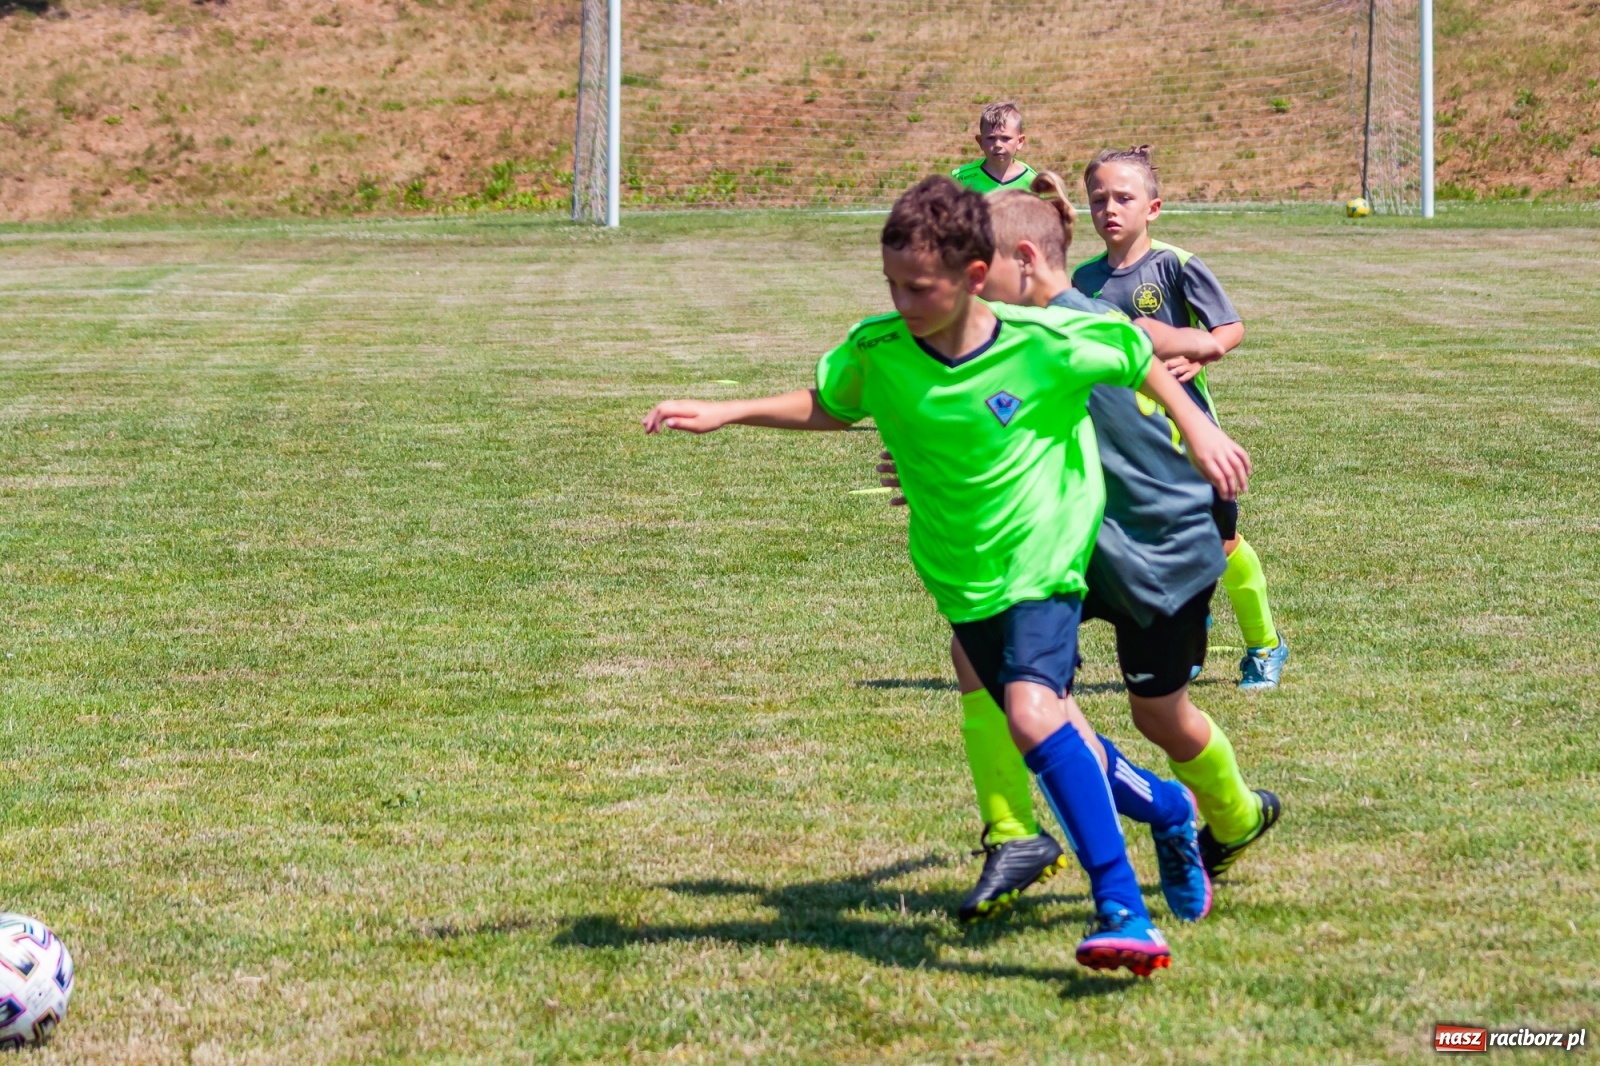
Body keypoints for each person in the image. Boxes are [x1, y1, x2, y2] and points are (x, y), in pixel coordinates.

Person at [643, 176, 1252, 975]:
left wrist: (1199, 430)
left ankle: (1123, 911)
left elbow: (1136, 354)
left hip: (1045, 559)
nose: (903, 302)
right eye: (892, 284)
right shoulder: (880, 350)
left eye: (920, 287)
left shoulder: (1043, 340)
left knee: (1032, 715)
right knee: (1054, 730)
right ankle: (1166, 806)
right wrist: (729, 411)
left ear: (974, 275)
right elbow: (833, 403)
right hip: (961, 574)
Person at [880, 172, 1281, 926]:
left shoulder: (1074, 326)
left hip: (1153, 550)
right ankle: (1014, 833)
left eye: (980, 272)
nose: (969, 290)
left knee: (1161, 717)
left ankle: (1232, 815)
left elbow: (1151, 343)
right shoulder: (1006, 340)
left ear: (1023, 262)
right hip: (1069, 544)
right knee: (989, 667)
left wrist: (1203, 390)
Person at [1073, 146, 1289, 692]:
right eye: (1098, 199)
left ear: (1153, 207)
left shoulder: (1174, 264)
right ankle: (1185, 640)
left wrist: (1199, 352)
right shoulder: (1082, 280)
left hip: (1186, 431)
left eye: (1123, 198)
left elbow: (1229, 328)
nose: (1109, 209)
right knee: (1150, 545)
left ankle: (1265, 645)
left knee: (1221, 544)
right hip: (1125, 441)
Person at [950, 102, 1037, 194]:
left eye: (1006, 138)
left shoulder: (1033, 182)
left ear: (1019, 141)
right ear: (980, 141)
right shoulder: (960, 179)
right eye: (991, 138)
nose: (998, 145)